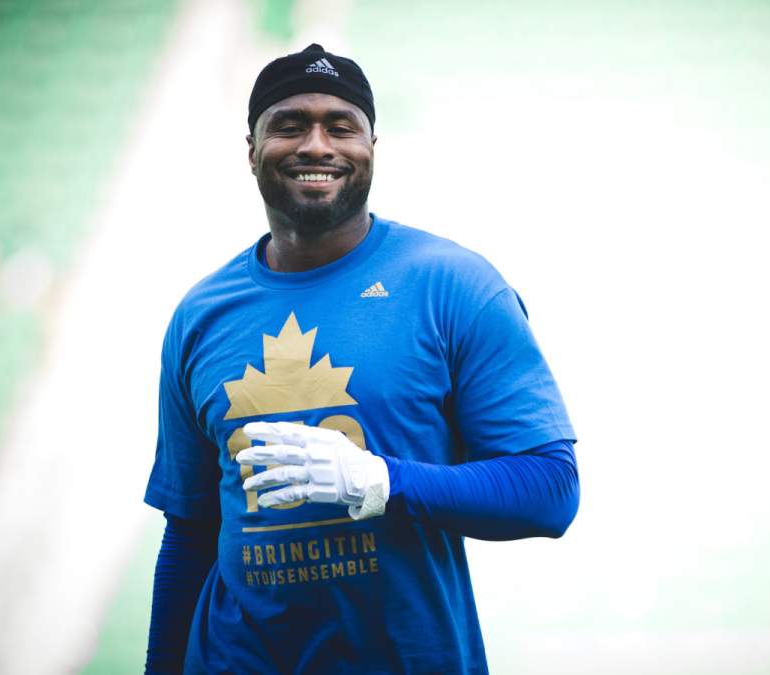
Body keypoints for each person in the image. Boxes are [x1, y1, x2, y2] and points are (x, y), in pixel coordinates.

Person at [142, 43, 579, 674]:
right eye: (289, 125)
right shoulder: (200, 313)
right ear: (252, 150)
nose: (316, 145)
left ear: (372, 146)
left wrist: (383, 482)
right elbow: (189, 530)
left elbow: (549, 490)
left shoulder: (452, 285)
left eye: (340, 126)